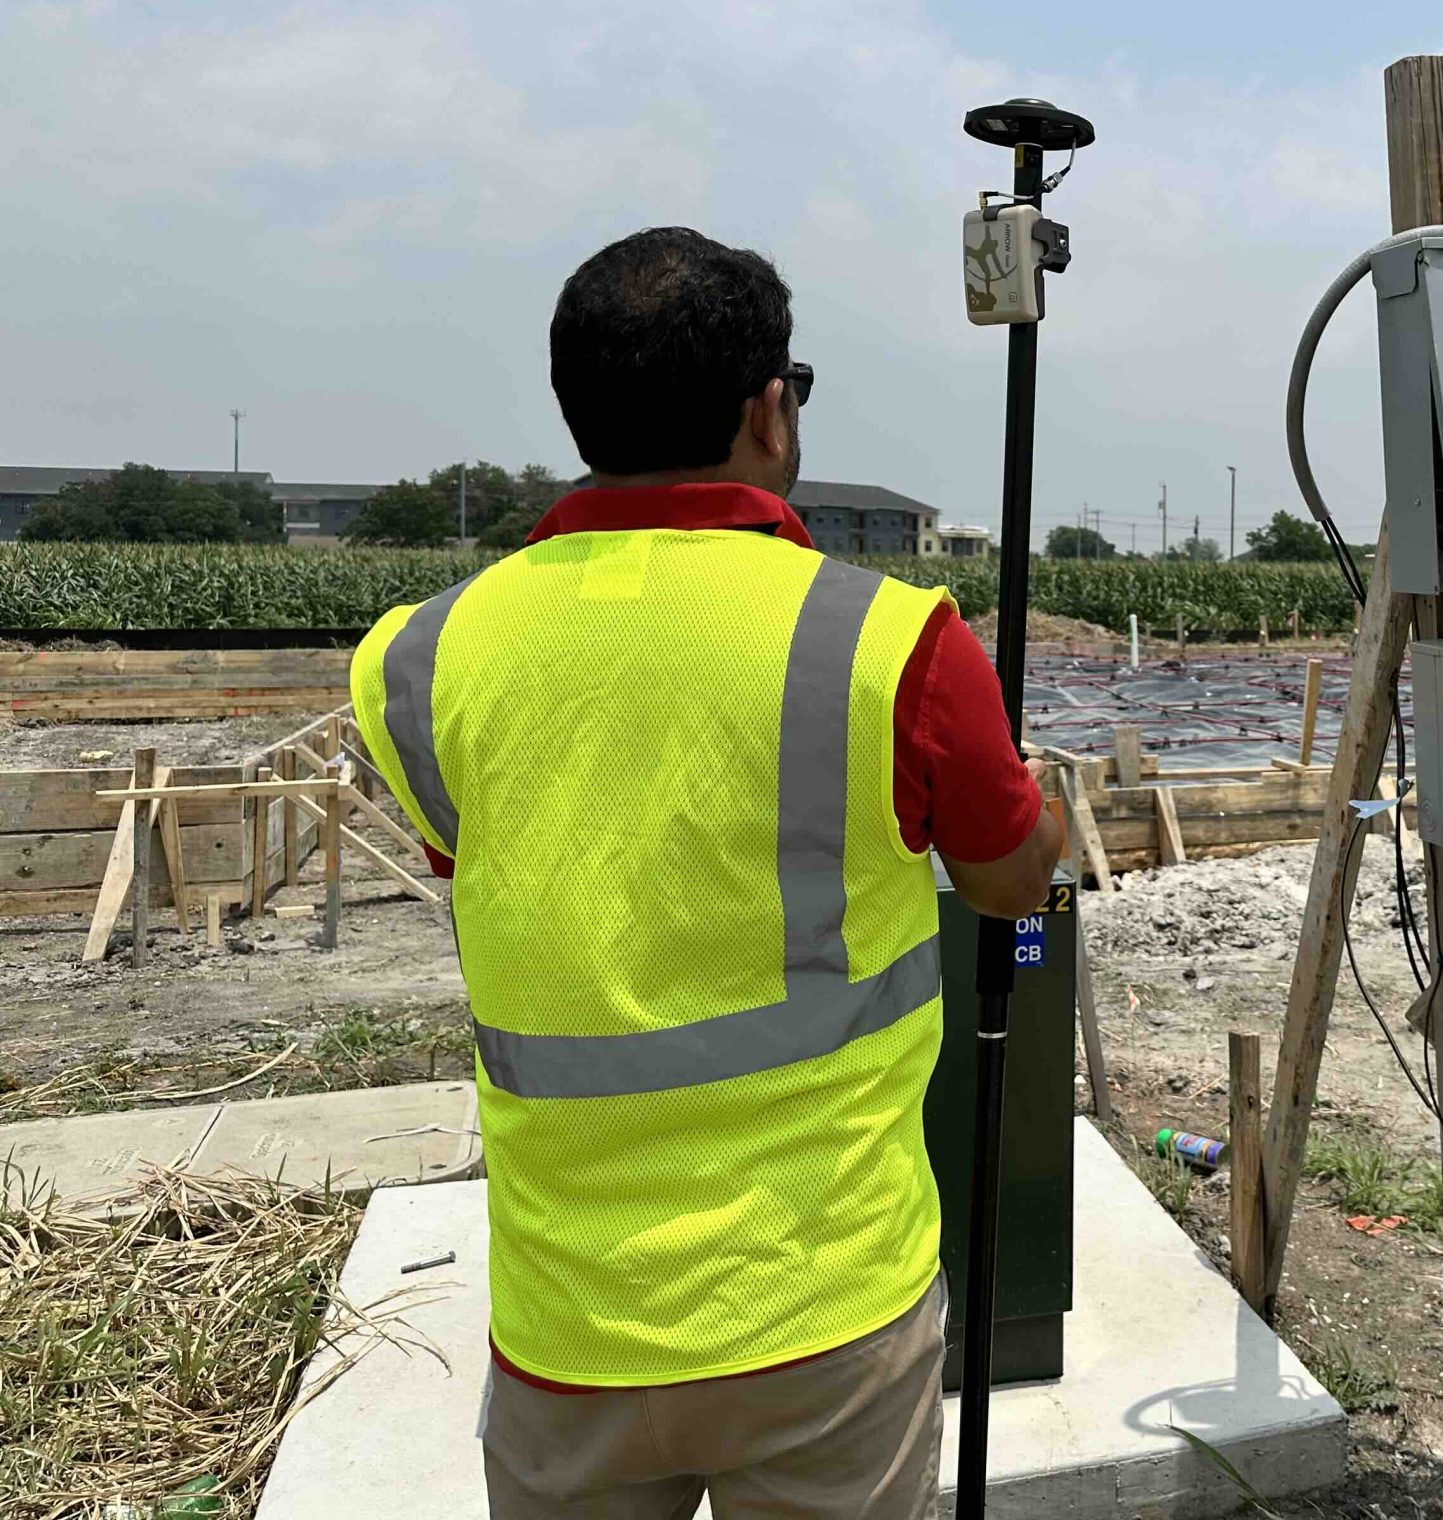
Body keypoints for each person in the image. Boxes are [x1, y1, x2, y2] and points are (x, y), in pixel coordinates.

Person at [351, 226, 1061, 1519]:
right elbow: (1014, 887)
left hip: (571, 1324)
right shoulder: (895, 642)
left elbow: (494, 857)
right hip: (828, 1307)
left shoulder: (418, 660)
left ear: (580, 410)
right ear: (769, 410)